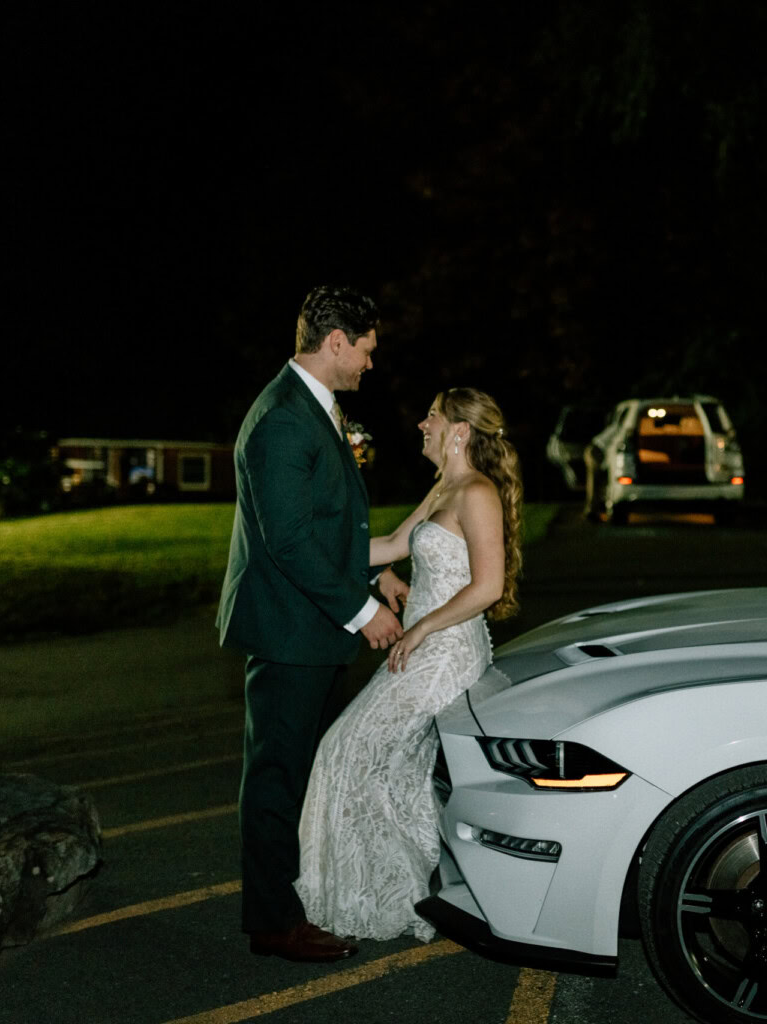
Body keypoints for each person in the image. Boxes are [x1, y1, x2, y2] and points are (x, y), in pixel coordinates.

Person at [217, 286, 409, 963]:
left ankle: (303, 897)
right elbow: (290, 541)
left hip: (313, 627)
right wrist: (364, 615)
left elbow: (328, 526)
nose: (370, 364)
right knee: (277, 778)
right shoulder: (281, 421)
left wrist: (371, 573)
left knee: (309, 773)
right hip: (288, 634)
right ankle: (273, 923)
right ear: (336, 343)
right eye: (366, 350)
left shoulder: (314, 411)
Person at [294, 387, 522, 943]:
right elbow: (394, 543)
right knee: (388, 765)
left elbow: (487, 586)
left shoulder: (478, 491)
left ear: (459, 432)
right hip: (421, 652)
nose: (422, 424)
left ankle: (381, 891)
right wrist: (308, 545)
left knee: (346, 747)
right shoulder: (444, 486)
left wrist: (418, 627)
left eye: (433, 417)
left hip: (445, 654)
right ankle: (401, 887)